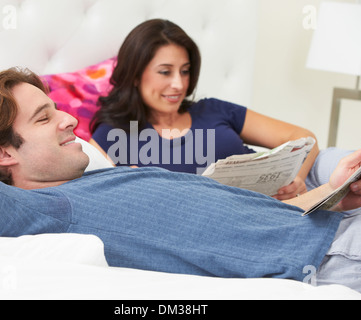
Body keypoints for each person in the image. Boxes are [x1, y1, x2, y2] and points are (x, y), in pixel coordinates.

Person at [0, 68, 361, 293]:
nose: (71, 119)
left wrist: (330, 194)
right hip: (338, 256)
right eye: (44, 117)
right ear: (2, 153)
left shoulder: (97, 181)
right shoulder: (45, 209)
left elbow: (244, 225)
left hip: (335, 225)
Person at [90, 19, 319, 200]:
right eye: (165, 72)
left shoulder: (214, 110)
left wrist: (296, 180)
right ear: (135, 75)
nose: (179, 84)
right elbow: (88, 196)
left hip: (276, 206)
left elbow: (302, 137)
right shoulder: (113, 134)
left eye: (185, 71)